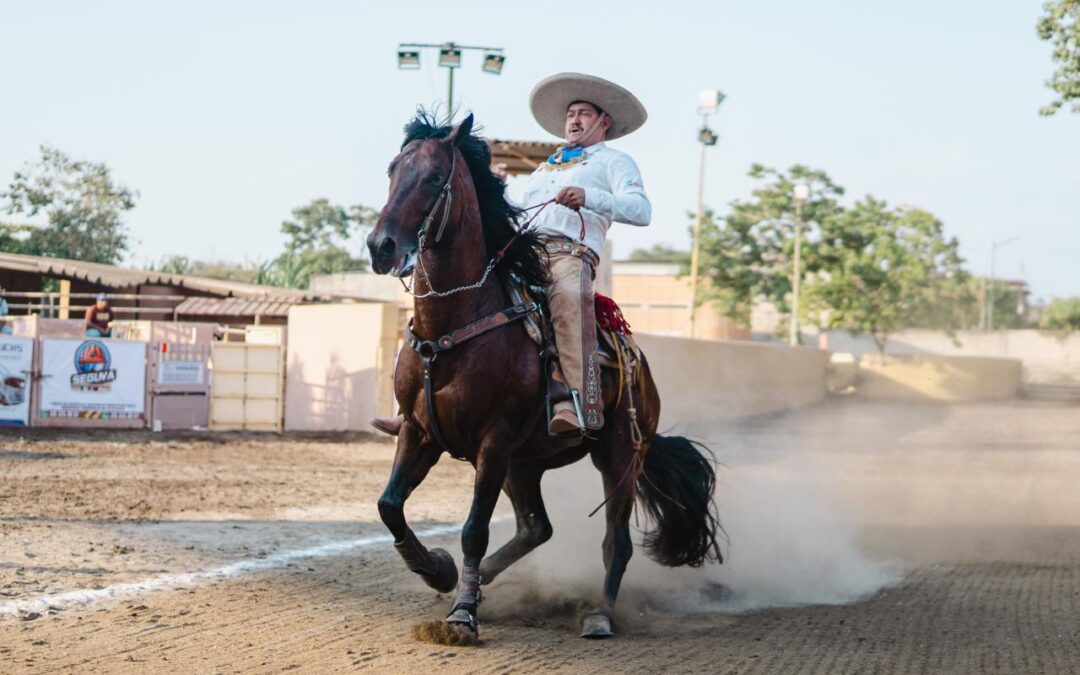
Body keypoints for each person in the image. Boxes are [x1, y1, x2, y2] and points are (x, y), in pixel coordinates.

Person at [370, 72, 651, 437]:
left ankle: (575, 401)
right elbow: (522, 211)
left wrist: (589, 197)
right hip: (527, 251)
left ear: (604, 122)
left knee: (568, 299)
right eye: (570, 114)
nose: (574, 120)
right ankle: (413, 406)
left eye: (583, 113)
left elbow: (641, 210)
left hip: (570, 255)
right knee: (454, 295)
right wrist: (502, 192)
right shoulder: (546, 166)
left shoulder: (615, 161)